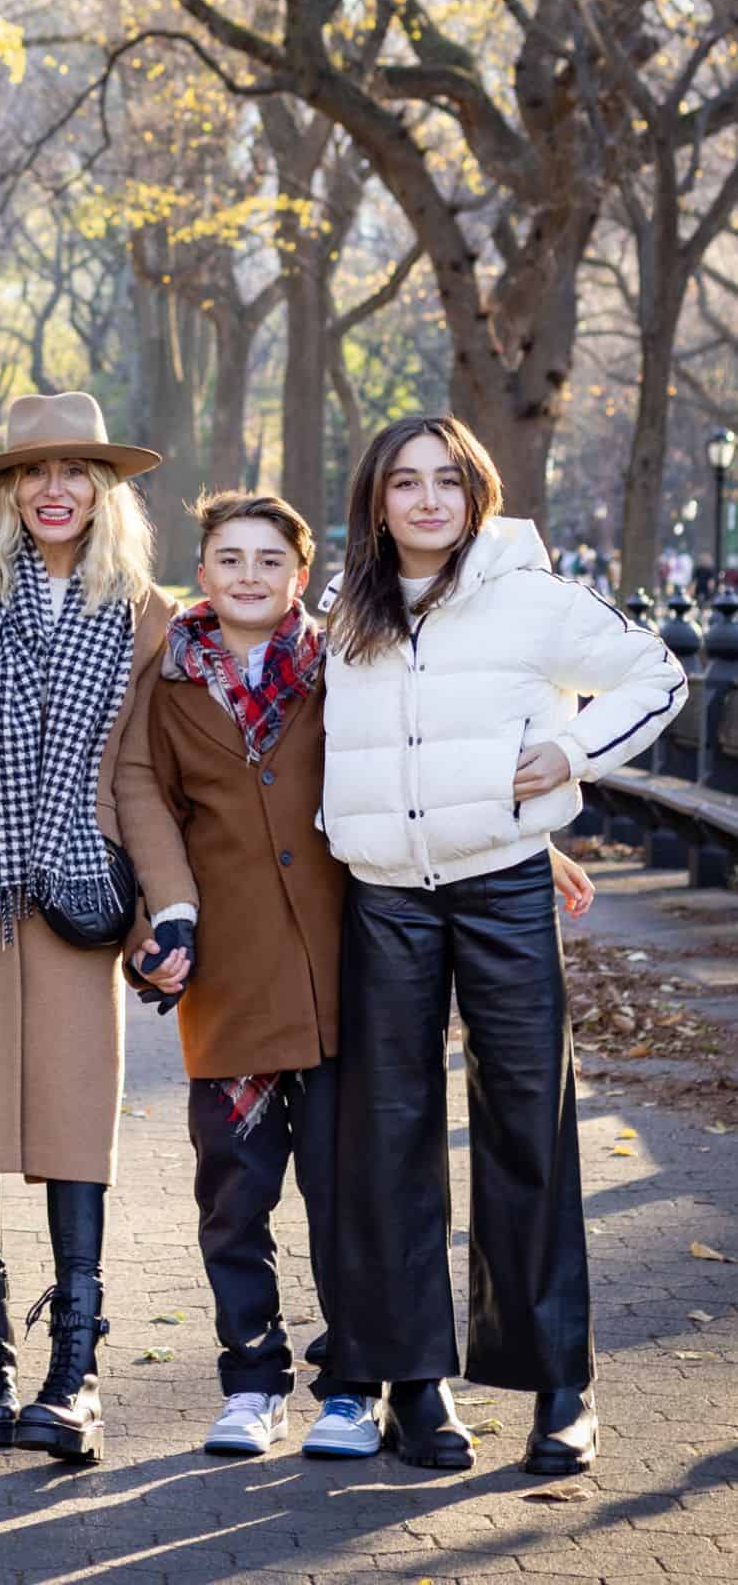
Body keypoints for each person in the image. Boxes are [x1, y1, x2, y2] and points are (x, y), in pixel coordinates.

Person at [320, 415, 686, 1477]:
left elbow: (657, 675)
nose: (427, 499)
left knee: (528, 1125)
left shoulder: (532, 595)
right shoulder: (350, 610)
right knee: (386, 1140)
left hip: (503, 888)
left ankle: (558, 1384)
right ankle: (413, 1384)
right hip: (384, 897)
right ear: (377, 500)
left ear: (476, 489)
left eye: (447, 479)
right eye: (404, 482)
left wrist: (570, 750)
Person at [0, 392, 182, 1467]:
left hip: (77, 886)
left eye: (75, 470)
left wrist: (172, 908)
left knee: (73, 1119)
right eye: (32, 471)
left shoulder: (149, 614)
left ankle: (75, 1370)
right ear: (6, 490)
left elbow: (146, 777)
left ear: (106, 490)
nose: (53, 488)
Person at [115, 490, 382, 1461]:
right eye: (229, 557)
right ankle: (253, 1377)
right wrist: (157, 924)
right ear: (204, 570)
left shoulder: (347, 666)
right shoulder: (169, 676)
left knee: (345, 1187)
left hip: (338, 972)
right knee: (234, 1190)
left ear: (300, 576)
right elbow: (146, 810)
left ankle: (352, 1383)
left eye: (270, 559)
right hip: (226, 974)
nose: (249, 575)